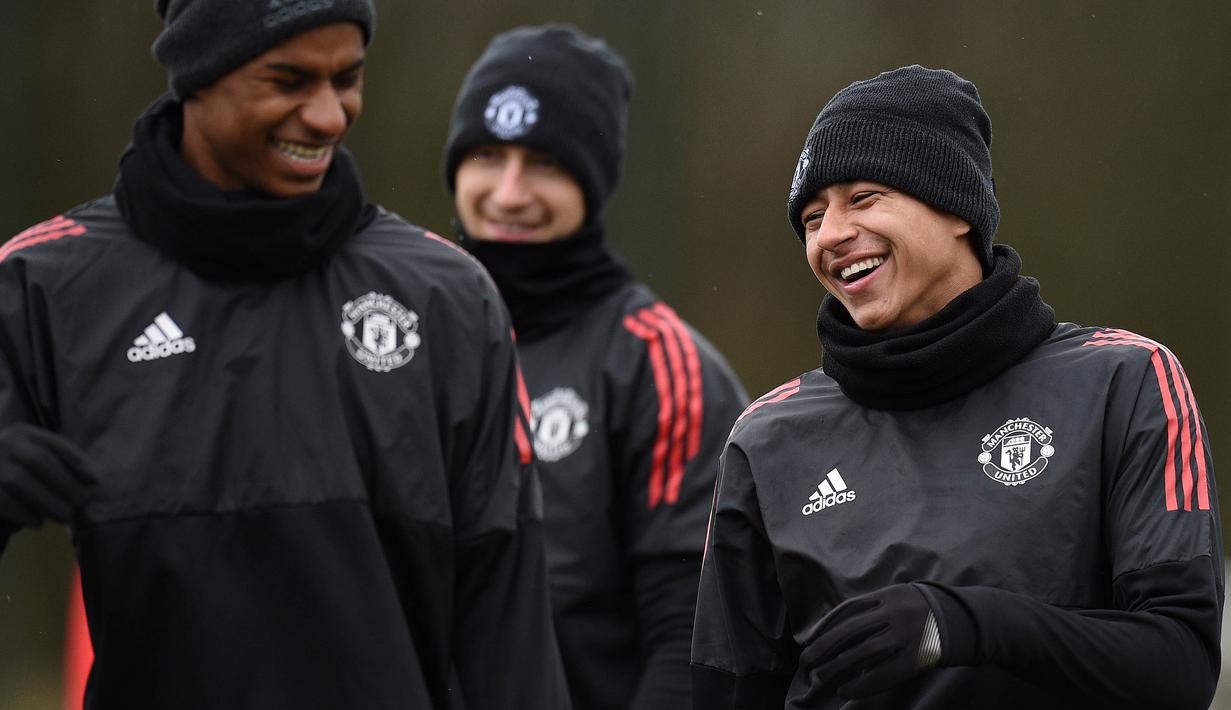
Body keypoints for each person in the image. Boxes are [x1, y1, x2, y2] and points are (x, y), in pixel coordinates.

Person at [0, 1, 570, 708]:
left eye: (347, 79)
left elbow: (507, 618)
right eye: (290, 81)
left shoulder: (446, 297)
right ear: (197, 75)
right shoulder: (43, 285)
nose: (329, 115)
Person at [691, 65, 1223, 709]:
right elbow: (729, 692)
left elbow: (1181, 665)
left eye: (863, 198)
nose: (829, 234)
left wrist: (967, 625)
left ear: (957, 211)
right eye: (811, 216)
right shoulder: (768, 437)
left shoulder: (1123, 378)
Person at [442, 24, 749, 710]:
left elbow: (690, 638)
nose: (509, 192)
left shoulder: (657, 365)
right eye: (488, 155)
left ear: (594, 178)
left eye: (544, 162)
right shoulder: (398, 333)